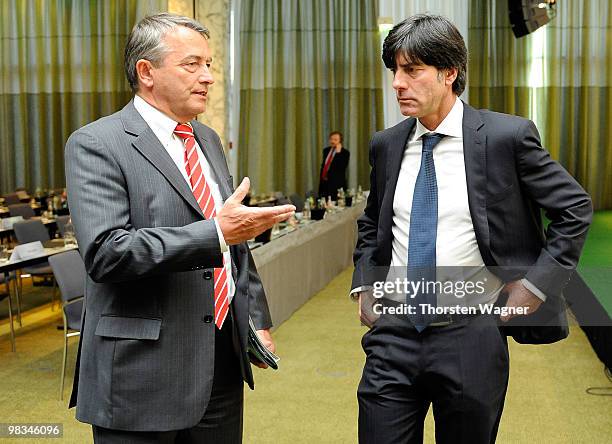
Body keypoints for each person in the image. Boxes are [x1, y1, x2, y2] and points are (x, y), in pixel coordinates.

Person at [351, 14, 592, 444]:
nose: (397, 84)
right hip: (393, 335)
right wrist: (365, 287)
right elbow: (373, 222)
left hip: (473, 335)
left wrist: (535, 287)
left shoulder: (506, 137)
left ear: (449, 72)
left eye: (411, 70)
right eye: (394, 71)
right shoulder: (386, 144)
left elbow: (574, 207)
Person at [65, 13, 294, 443]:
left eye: (209, 64)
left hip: (219, 364)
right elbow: (106, 252)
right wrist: (216, 233)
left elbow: (234, 242)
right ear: (146, 72)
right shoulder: (97, 143)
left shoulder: (205, 139)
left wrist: (255, 318)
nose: (208, 77)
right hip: (141, 371)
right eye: (192, 64)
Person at [318, 131, 349, 201]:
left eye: (335, 140)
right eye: (331, 139)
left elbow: (341, 167)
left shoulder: (345, 153)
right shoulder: (326, 150)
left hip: (336, 185)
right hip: (324, 184)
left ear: (340, 141)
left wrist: (338, 153)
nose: (332, 141)